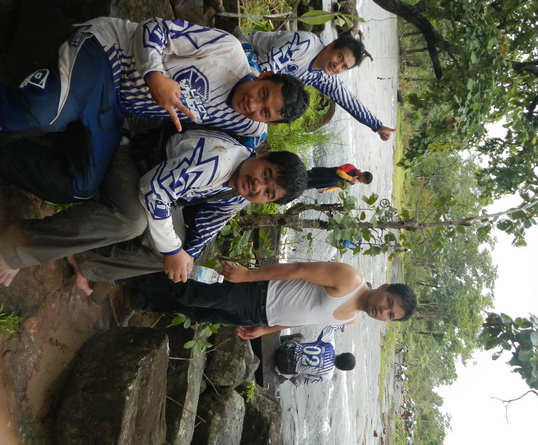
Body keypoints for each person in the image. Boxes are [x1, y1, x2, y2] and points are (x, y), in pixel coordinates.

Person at [0, 17, 309, 204]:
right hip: (107, 55)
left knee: (79, 187)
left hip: (114, 109)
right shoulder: (227, 50)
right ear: (265, 76)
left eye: (265, 112)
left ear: (271, 123)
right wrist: (154, 75)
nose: (253, 105)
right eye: (263, 93)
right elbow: (154, 27)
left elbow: (255, 163)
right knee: (43, 114)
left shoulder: (250, 127)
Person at [0, 130, 308, 288]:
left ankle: (86, 260)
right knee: (131, 223)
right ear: (261, 156)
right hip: (132, 158)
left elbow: (212, 222)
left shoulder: (240, 192)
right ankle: (16, 247)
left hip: (158, 189)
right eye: (265, 174)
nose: (257, 186)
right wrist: (173, 250)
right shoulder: (218, 160)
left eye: (268, 193)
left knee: (178, 258)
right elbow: (153, 190)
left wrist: (185, 254)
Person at [117, 261, 417, 339]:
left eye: (390, 315)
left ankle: (142, 299)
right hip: (258, 293)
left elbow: (307, 317)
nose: (383, 311)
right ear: (384, 286)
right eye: (389, 302)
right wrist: (248, 275)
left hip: (259, 315)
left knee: (198, 312)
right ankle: (126, 272)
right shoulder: (349, 278)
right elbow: (297, 270)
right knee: (191, 292)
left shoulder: (352, 318)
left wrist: (266, 329)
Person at [238, 30, 396, 141]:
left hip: (260, 88)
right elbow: (265, 69)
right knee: (251, 82)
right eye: (339, 57)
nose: (337, 66)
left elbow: (348, 100)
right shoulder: (305, 44)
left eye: (344, 67)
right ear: (331, 45)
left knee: (256, 133)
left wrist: (376, 126)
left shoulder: (323, 77)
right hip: (248, 52)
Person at [275, 325, 356, 386]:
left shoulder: (329, 345)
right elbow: (298, 382)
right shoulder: (327, 375)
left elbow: (331, 327)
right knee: (296, 373)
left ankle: (278, 342)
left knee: (300, 337)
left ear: (342, 353)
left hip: (282, 351)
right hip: (283, 368)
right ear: (342, 369)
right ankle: (280, 377)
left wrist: (342, 326)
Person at [306, 163, 373, 193]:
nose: (361, 181)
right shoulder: (351, 168)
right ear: (363, 173)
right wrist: (350, 178)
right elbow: (338, 171)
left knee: (304, 186)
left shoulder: (352, 183)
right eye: (363, 179)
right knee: (303, 176)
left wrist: (326, 190)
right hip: (320, 174)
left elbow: (338, 186)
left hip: (322, 184)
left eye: (363, 182)